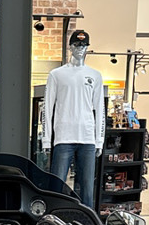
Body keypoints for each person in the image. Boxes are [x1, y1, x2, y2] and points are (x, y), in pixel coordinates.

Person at [43, 30, 104, 208]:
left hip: (87, 138)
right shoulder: (56, 74)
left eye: (84, 45)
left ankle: (87, 222)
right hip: (64, 137)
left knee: (87, 189)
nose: (80, 49)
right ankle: (53, 218)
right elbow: (47, 108)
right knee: (56, 186)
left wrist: (99, 140)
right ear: (70, 47)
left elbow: (100, 109)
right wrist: (46, 139)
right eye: (77, 45)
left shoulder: (95, 75)